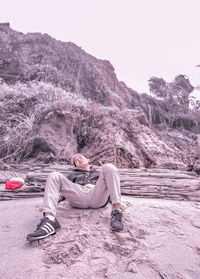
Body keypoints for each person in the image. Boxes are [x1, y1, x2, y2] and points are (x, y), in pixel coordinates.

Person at [26, 154, 125, 242]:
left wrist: (115, 201)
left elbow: (110, 186)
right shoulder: (72, 175)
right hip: (79, 195)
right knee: (54, 175)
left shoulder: (99, 173)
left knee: (109, 166)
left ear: (88, 160)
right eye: (76, 160)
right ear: (75, 165)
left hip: (97, 196)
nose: (78, 159)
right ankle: (50, 220)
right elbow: (65, 190)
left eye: (81, 157)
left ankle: (116, 211)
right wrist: (49, 203)